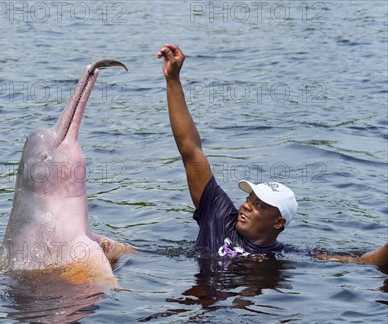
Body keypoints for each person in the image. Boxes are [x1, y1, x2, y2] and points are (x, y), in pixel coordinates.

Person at [157, 43, 387, 265]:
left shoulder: (284, 257)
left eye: (259, 205)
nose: (245, 206)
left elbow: (360, 262)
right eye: (249, 199)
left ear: (278, 223)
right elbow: (191, 150)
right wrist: (173, 80)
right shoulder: (218, 217)